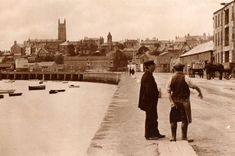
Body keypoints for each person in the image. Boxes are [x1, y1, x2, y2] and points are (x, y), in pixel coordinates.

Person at [167, 61, 203, 142]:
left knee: (173, 120)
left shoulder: (171, 78)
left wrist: (171, 102)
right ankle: (184, 137)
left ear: (174, 69)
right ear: (182, 69)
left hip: (174, 102)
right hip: (184, 102)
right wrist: (200, 92)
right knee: (184, 120)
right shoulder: (186, 78)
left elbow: (168, 92)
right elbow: (195, 86)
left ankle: (173, 137)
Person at [138, 60, 165, 140]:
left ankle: (155, 133)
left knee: (153, 117)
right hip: (149, 101)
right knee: (150, 117)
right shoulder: (148, 76)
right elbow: (149, 91)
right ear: (149, 66)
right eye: (153, 65)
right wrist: (156, 94)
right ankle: (149, 135)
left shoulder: (148, 75)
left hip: (149, 101)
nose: (155, 67)